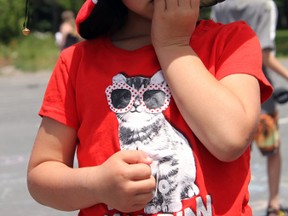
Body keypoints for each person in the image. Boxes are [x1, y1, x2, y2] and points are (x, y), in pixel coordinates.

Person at [27, 0, 273, 215]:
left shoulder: (232, 41)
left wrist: (173, 45)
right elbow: (41, 175)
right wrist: (97, 184)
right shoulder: (76, 62)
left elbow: (230, 139)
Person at [212, 1, 288, 216]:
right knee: (271, 150)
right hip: (258, 92)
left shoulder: (220, 4)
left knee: (235, 155)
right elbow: (264, 55)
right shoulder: (264, 5)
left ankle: (237, 205)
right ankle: (273, 204)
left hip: (223, 88)